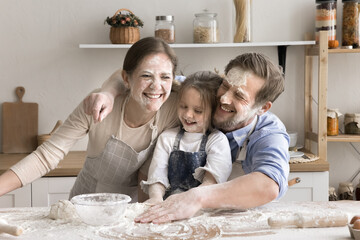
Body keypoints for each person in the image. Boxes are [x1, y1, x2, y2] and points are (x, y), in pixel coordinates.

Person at [83, 52, 290, 223]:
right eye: (226, 85)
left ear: (263, 108)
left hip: (232, 224)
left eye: (239, 96)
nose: (224, 98)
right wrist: (108, 93)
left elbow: (269, 185)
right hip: (172, 216)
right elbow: (134, 77)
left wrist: (197, 197)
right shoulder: (198, 89)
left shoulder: (269, 134)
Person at [0, 37, 180, 202]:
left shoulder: (176, 107)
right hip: (86, 205)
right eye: (146, 76)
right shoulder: (97, 105)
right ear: (127, 79)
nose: (156, 86)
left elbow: (202, 87)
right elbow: (46, 157)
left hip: (133, 208)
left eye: (165, 77)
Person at [141, 71, 232, 205]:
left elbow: (210, 183)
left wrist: (185, 203)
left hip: (202, 208)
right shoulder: (167, 138)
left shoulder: (217, 141)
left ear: (214, 111)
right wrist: (156, 198)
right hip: (168, 206)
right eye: (183, 106)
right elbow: (157, 176)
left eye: (198, 111)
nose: (188, 115)